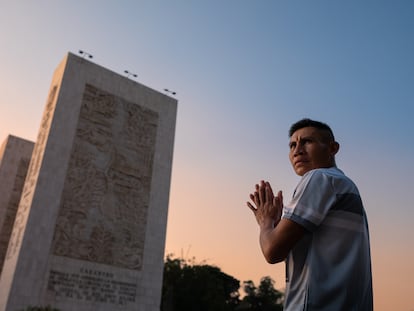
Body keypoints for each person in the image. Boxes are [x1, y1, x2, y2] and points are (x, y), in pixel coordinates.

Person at [247, 118, 373, 311]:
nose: (297, 150)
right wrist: (280, 225)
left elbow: (272, 251)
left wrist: (266, 222)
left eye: (307, 141)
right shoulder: (345, 185)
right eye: (292, 145)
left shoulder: (320, 177)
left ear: (332, 148)